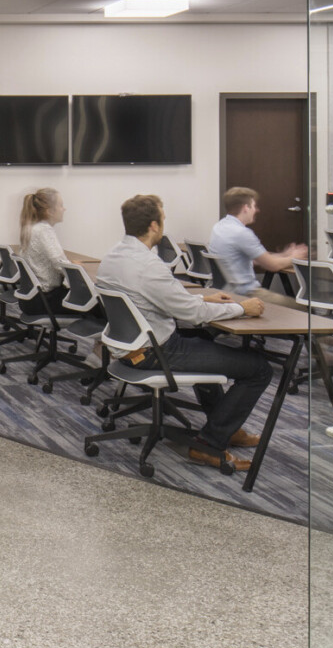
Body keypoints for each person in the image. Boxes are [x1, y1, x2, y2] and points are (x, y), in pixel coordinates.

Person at [97, 194, 273, 473]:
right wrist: (242, 308)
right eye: (163, 219)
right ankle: (210, 444)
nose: (164, 224)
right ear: (154, 226)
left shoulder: (113, 256)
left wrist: (205, 300)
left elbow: (166, 298)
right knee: (258, 369)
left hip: (130, 349)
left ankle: (225, 425)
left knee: (203, 340)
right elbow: (193, 315)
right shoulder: (148, 266)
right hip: (158, 352)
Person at [208, 186, 309, 304]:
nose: (257, 210)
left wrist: (284, 255)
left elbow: (256, 259)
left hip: (226, 292)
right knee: (301, 309)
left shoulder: (219, 227)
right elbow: (273, 266)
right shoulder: (242, 233)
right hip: (245, 294)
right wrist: (294, 257)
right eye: (254, 206)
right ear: (246, 208)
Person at [17, 187, 70, 314]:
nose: (64, 209)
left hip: (31, 299)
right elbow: (61, 265)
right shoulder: (44, 230)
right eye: (61, 205)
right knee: (100, 304)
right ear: (49, 211)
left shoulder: (31, 228)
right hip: (45, 301)